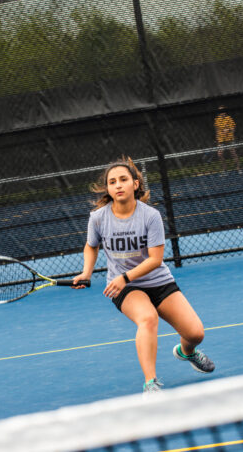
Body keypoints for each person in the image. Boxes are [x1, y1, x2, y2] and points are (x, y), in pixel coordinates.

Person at [72, 156, 215, 396]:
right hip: (125, 289)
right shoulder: (98, 218)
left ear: (135, 184)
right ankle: (151, 382)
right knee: (147, 318)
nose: (118, 185)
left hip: (157, 281)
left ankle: (186, 352)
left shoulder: (150, 216)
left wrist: (124, 277)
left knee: (195, 333)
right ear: (107, 188)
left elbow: (155, 260)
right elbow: (91, 245)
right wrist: (87, 272)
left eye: (123, 180)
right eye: (112, 182)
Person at [214, 105, 242, 175]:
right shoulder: (217, 120)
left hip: (229, 139)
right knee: (220, 154)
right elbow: (217, 131)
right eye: (220, 111)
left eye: (223, 111)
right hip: (221, 140)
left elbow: (233, 129)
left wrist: (228, 130)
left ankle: (238, 169)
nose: (222, 112)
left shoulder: (229, 118)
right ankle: (225, 170)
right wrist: (217, 140)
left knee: (233, 153)